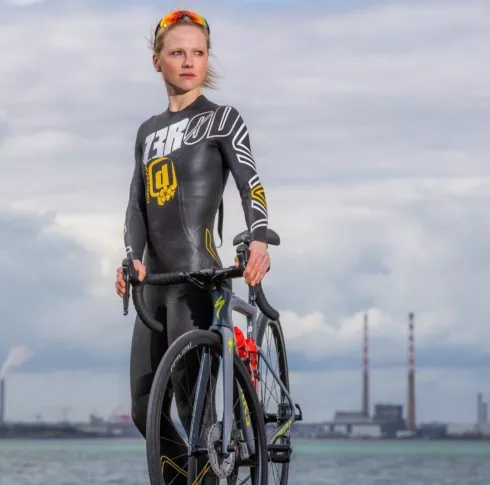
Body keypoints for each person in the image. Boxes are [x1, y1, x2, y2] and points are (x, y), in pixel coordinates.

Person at [115, 9, 271, 484]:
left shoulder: (223, 120)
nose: (188, 62)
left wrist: (259, 236)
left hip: (197, 282)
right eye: (177, 52)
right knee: (146, 413)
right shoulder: (146, 132)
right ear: (157, 60)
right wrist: (132, 260)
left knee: (197, 415)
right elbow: (137, 207)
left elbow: (251, 183)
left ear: (207, 60)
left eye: (198, 53)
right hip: (153, 288)